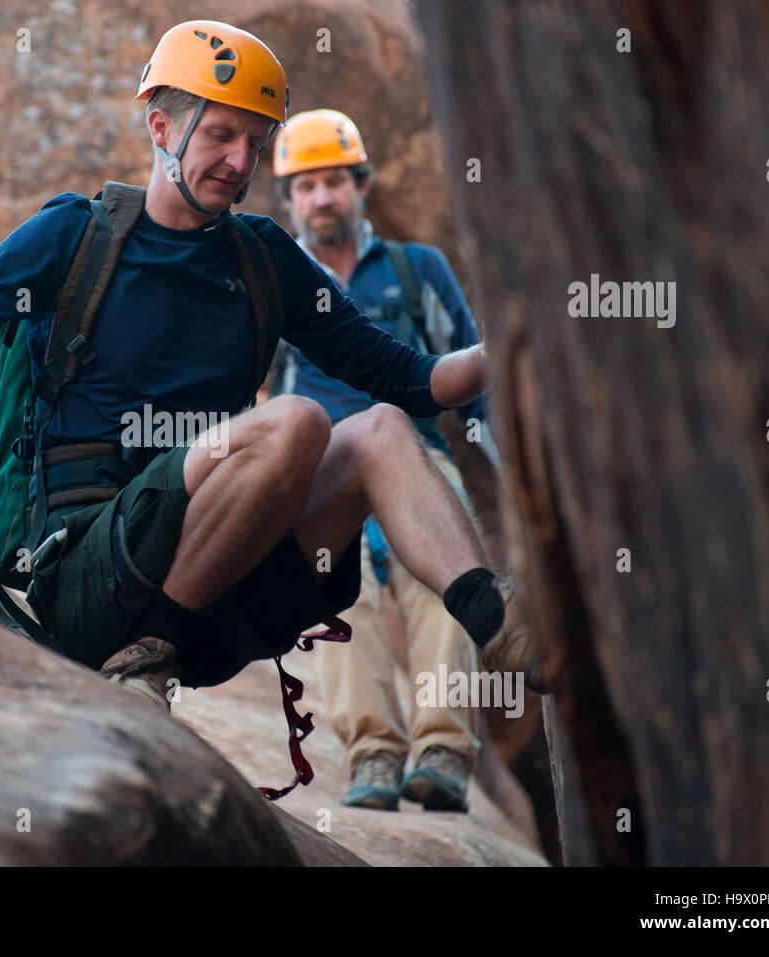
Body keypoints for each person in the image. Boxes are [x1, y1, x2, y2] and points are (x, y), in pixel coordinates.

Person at [0, 22, 547, 761]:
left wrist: (524, 335)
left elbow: (411, 380)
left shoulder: (264, 258)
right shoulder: (75, 234)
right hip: (87, 578)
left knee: (377, 429)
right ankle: (143, 661)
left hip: (220, 597)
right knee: (298, 420)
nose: (240, 161)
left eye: (254, 142)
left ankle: (497, 626)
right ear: (160, 128)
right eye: (220, 134)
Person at [272, 109, 501, 812]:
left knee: (448, 582)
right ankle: (371, 753)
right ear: (288, 199)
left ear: (362, 183)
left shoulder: (416, 268)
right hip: (322, 469)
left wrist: (500, 454)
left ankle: (442, 750)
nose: (321, 198)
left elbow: (470, 364)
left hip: (418, 460)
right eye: (306, 186)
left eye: (334, 181)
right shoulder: (276, 279)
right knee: (336, 599)